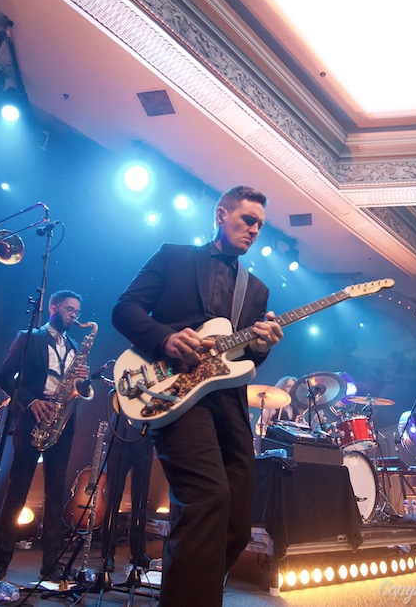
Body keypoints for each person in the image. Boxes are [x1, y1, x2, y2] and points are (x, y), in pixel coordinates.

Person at [112, 185, 284, 606]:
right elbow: (125, 309)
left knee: (237, 523)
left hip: (228, 404)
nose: (255, 229)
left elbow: (244, 360)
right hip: (171, 393)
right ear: (221, 214)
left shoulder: (256, 290)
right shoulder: (174, 256)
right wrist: (166, 339)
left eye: (260, 224)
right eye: (248, 219)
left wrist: (261, 347)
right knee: (207, 499)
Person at [0, 290, 90, 584]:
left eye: (77, 311)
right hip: (32, 417)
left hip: (62, 422)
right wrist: (30, 401)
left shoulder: (73, 345)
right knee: (17, 491)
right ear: (53, 307)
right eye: (69, 309)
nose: (74, 315)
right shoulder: (29, 336)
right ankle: (0, 563)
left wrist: (81, 379)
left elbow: (74, 387)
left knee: (56, 494)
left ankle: (51, 565)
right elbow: (3, 377)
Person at [98, 415, 154, 574]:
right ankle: (107, 554)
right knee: (113, 498)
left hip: (145, 436)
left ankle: (138, 553)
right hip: (119, 437)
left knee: (141, 500)